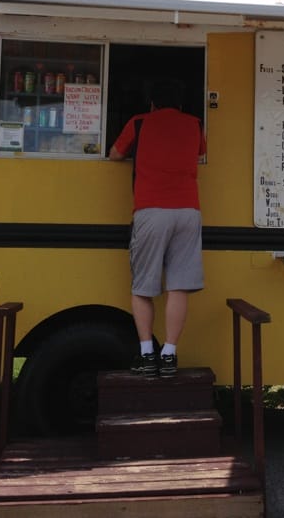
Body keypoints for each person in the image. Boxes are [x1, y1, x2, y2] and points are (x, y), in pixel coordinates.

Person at [109, 79, 206, 377]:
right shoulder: (195, 124)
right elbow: (201, 155)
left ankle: (147, 354)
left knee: (143, 287)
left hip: (151, 210)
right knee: (178, 286)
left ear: (151, 103)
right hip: (188, 211)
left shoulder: (139, 123)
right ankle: (169, 355)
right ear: (180, 104)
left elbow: (115, 154)